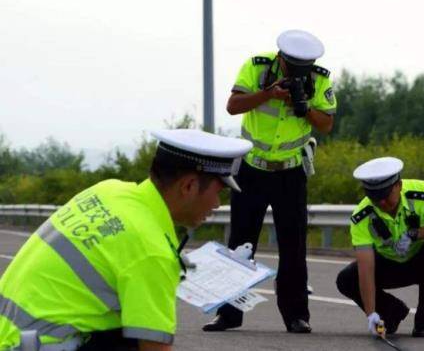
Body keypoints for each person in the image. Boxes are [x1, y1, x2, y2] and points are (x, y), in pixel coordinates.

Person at [0, 129, 252, 351]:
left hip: (13, 337)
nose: (218, 204)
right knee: (136, 337)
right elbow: (155, 347)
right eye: (218, 191)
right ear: (188, 186)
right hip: (42, 344)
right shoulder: (151, 251)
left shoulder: (108, 190)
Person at [202, 29, 337, 334]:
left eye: (303, 69)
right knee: (240, 243)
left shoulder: (320, 80)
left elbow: (327, 123)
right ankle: (229, 314)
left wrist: (306, 109)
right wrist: (268, 94)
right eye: (293, 69)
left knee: (293, 247)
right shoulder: (257, 67)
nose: (297, 76)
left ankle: (296, 315)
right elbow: (233, 106)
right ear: (280, 59)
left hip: (291, 173)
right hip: (252, 169)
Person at [335, 157, 424, 337]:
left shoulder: (421, 193)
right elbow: (366, 268)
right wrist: (371, 313)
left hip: (421, 261)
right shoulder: (362, 216)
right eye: (376, 199)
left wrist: (416, 234)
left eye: (385, 197)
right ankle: (391, 313)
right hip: (388, 264)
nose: (382, 204)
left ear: (398, 185)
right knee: (346, 279)